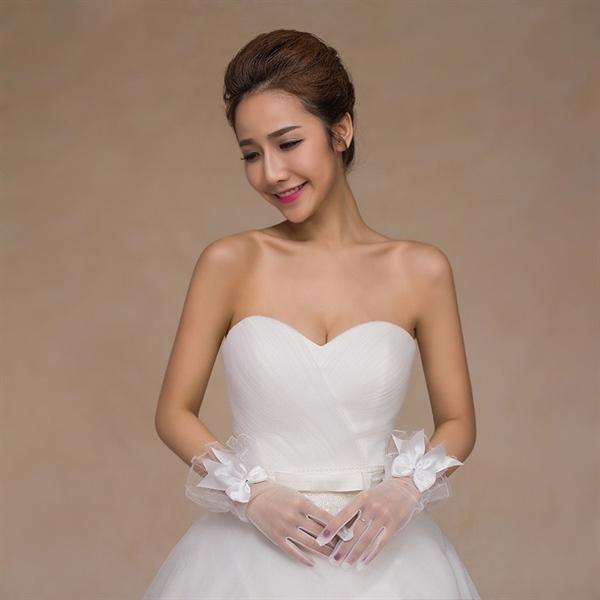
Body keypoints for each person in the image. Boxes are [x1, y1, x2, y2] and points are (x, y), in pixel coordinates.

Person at [143, 29, 481, 599]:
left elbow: (459, 422)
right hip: (244, 559)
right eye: (251, 154)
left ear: (341, 131)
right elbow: (173, 412)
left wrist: (405, 491)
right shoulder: (230, 263)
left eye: (288, 143)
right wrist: (253, 496)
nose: (271, 173)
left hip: (388, 560)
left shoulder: (420, 270)